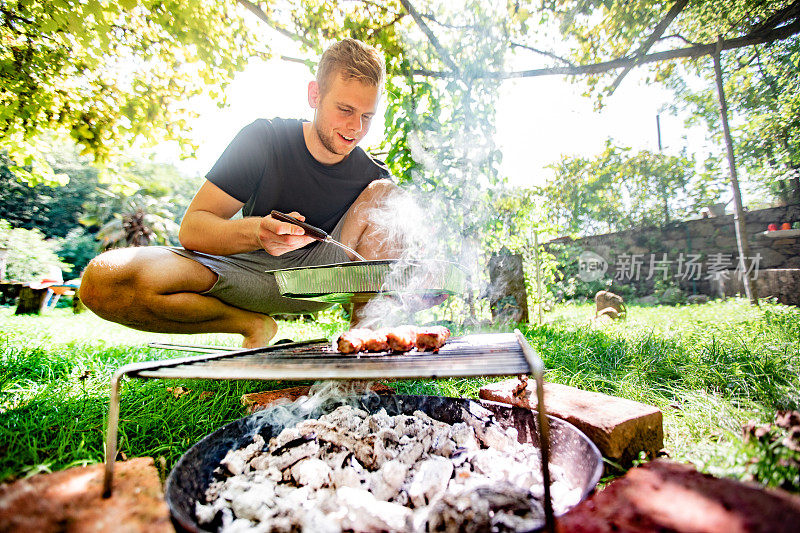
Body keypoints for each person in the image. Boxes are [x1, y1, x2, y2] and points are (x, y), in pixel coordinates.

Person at [80, 38, 401, 348]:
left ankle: (364, 351)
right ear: (315, 94)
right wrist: (257, 232)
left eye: (367, 116)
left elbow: (386, 277)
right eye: (345, 109)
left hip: (325, 276)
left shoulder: (373, 177)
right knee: (102, 281)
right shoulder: (264, 140)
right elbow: (192, 228)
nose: (356, 127)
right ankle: (251, 325)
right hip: (248, 268)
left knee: (387, 193)